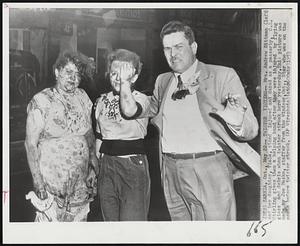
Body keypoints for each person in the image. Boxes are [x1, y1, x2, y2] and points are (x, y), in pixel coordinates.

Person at [126, 21, 260, 221]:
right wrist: (125, 90)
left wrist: (233, 117)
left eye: (179, 47)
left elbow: (251, 129)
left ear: (193, 47)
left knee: (216, 235)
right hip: (170, 169)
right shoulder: (163, 81)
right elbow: (150, 107)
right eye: (167, 49)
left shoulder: (222, 75)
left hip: (209, 167)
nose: (173, 54)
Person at [24, 51, 98, 222]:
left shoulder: (83, 97)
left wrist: (94, 168)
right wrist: (38, 182)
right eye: (68, 72)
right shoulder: (41, 101)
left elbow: (89, 135)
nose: (73, 78)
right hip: (51, 189)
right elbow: (30, 145)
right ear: (57, 72)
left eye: (77, 74)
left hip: (79, 188)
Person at [94, 49, 150, 221]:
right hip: (107, 166)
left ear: (134, 77)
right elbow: (99, 136)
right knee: (110, 224)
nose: (118, 79)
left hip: (131, 166)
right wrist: (98, 169)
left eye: (124, 75)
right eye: (114, 74)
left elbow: (128, 110)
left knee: (132, 226)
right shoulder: (101, 100)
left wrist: (124, 84)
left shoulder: (141, 99)